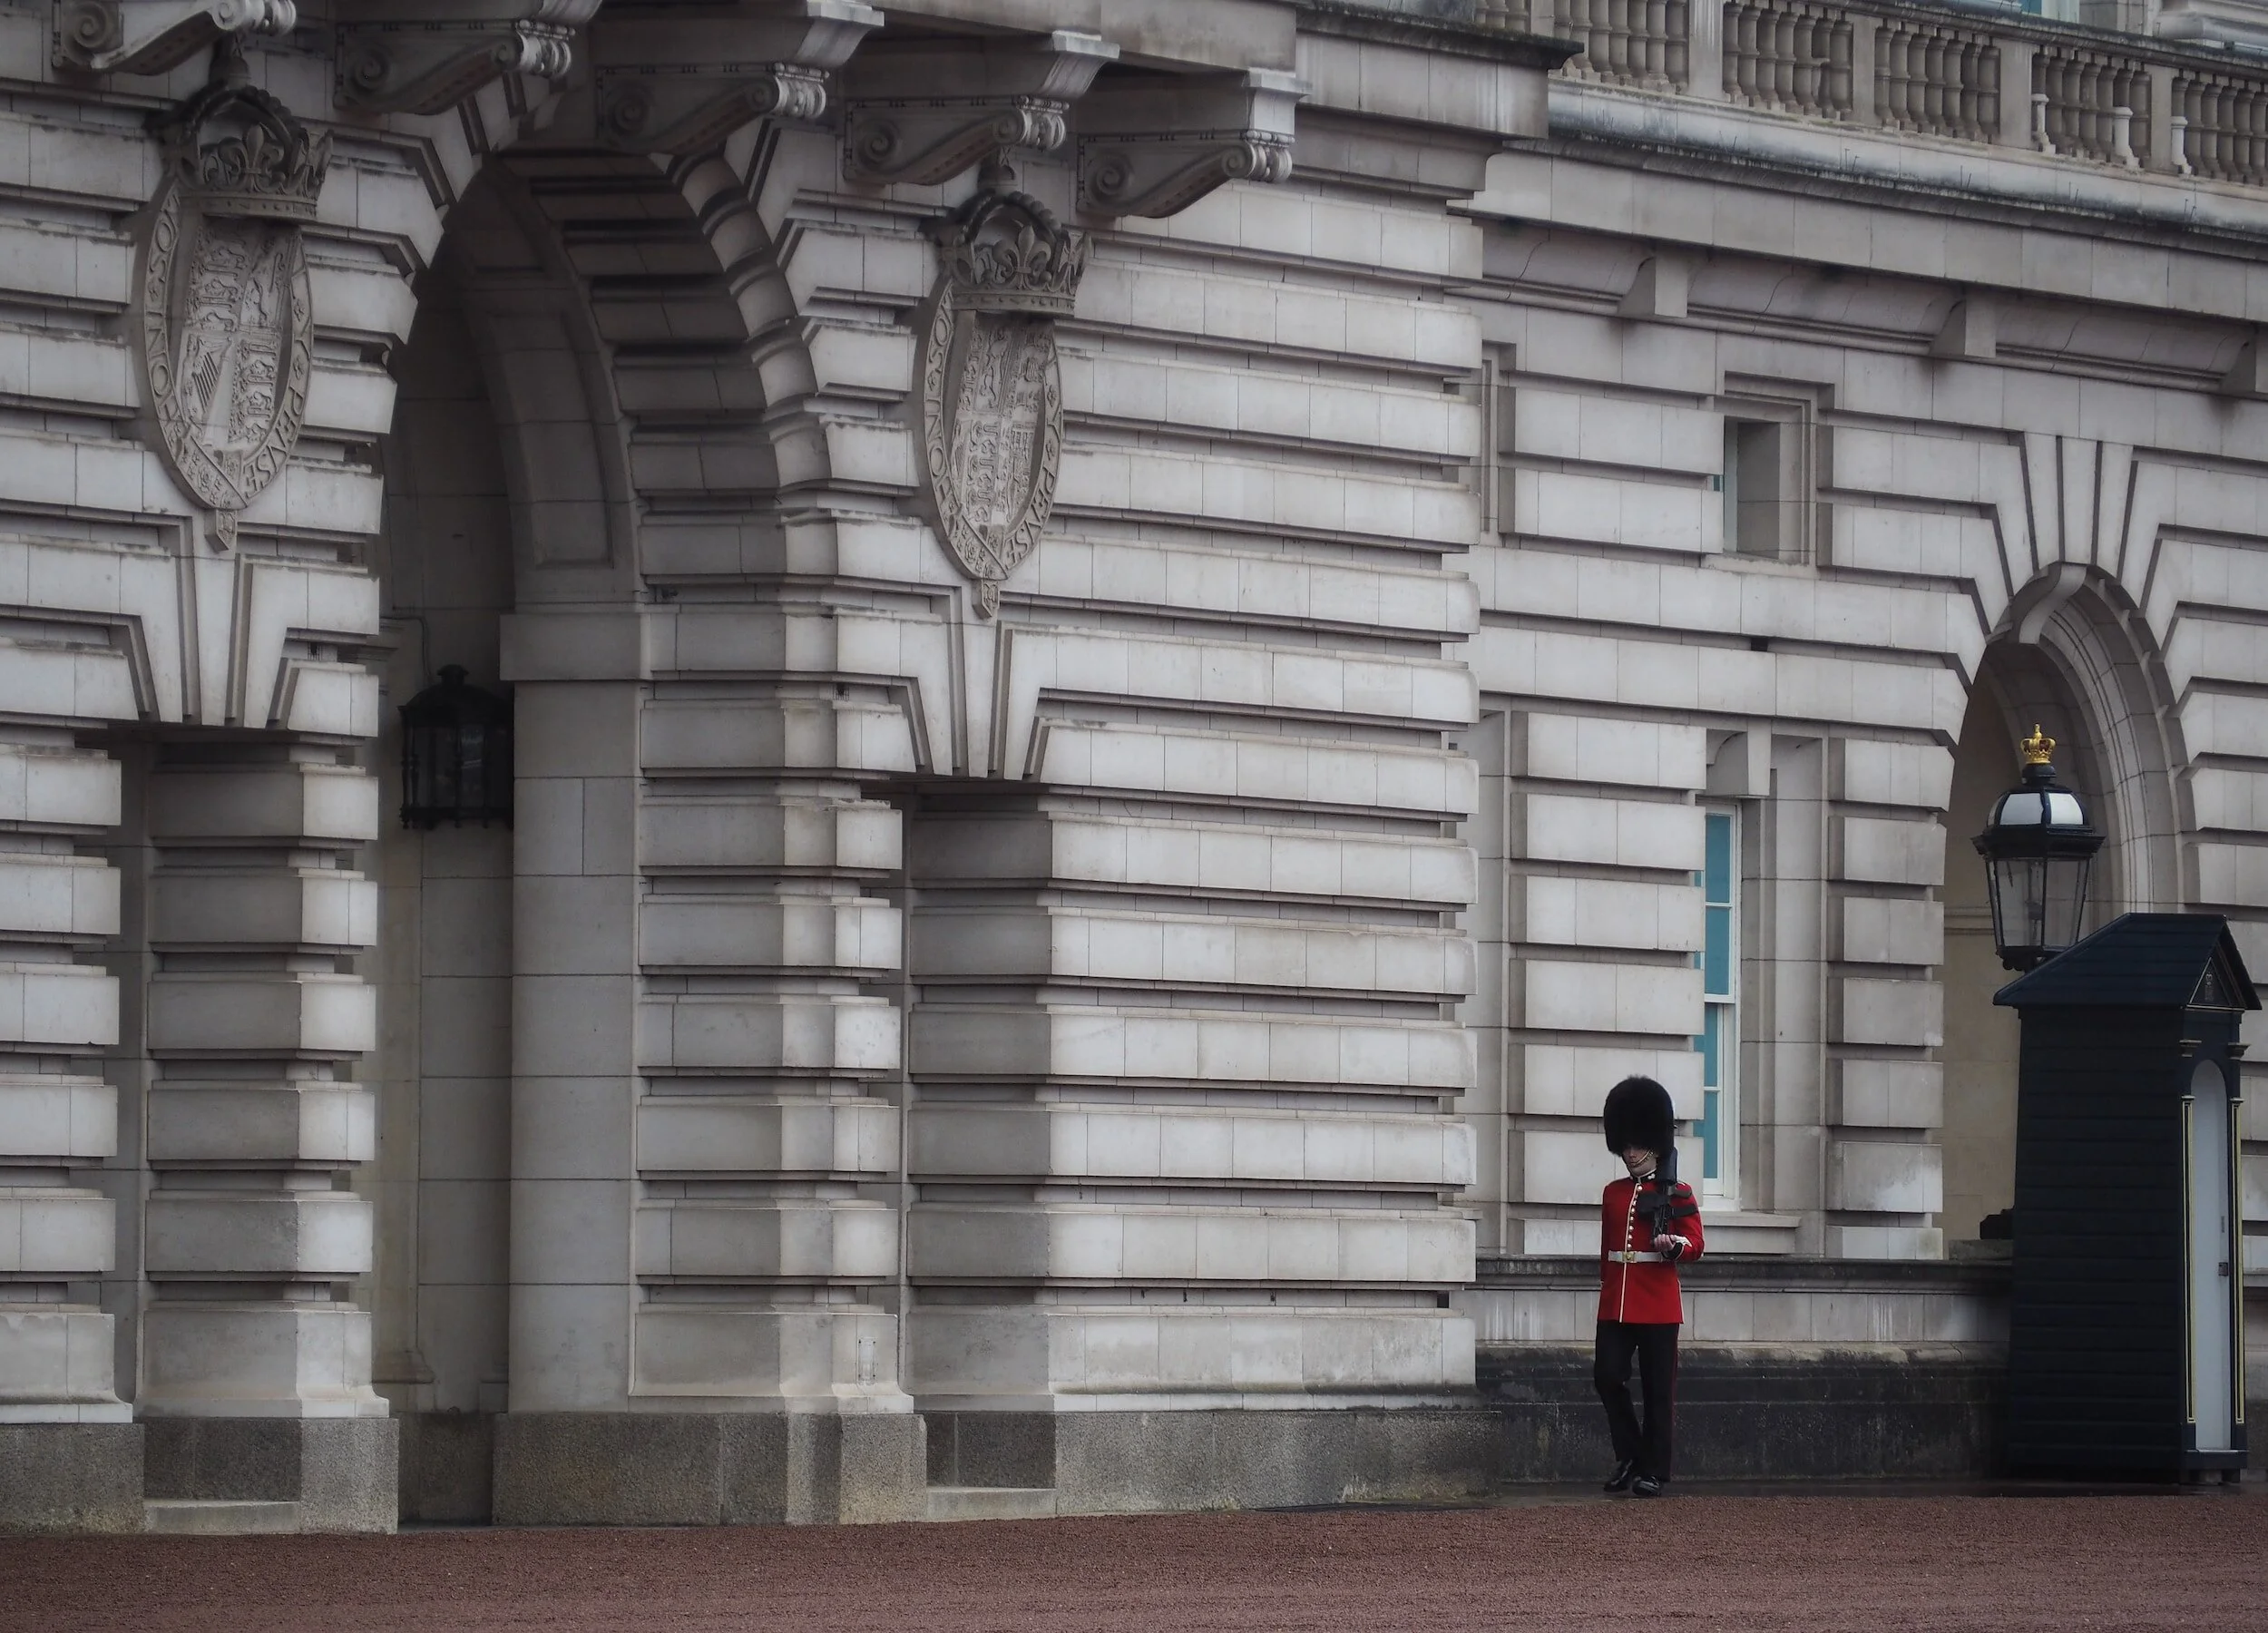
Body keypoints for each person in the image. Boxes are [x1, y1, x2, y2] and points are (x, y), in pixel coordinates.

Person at [1595, 1074, 1702, 1498]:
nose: (1629, 1152)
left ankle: (1653, 1469)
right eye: (1625, 1144)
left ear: (1654, 1143)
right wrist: (1607, 1296)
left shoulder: (1678, 1192)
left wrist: (1673, 1245)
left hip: (1658, 1305)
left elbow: (1695, 1244)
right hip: (1617, 1303)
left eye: (1636, 1144)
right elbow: (1607, 1251)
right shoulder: (1613, 1194)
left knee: (1659, 1392)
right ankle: (1631, 1454)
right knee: (1607, 1378)